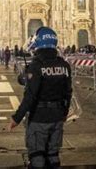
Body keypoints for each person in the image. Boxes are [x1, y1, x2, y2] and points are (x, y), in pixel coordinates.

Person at [9, 27, 72, 169]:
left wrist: (16, 118)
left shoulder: (36, 65)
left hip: (39, 117)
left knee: (37, 157)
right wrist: (64, 113)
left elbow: (30, 96)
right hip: (57, 117)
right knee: (53, 156)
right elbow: (68, 92)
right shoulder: (64, 65)